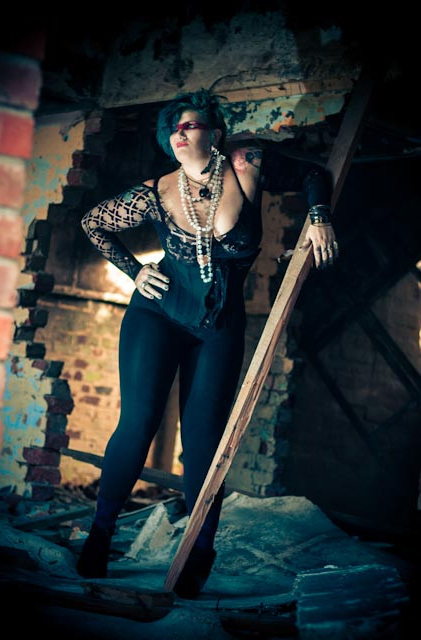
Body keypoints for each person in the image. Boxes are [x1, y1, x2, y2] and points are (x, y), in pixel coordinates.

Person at [76, 88, 339, 597]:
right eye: (173, 128)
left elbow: (313, 175)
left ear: (214, 133)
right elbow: (93, 223)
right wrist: (135, 271)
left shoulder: (247, 163)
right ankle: (99, 537)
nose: (179, 134)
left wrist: (319, 217)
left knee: (204, 442)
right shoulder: (155, 192)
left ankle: (198, 552)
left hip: (219, 325)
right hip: (157, 315)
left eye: (190, 125)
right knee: (139, 422)